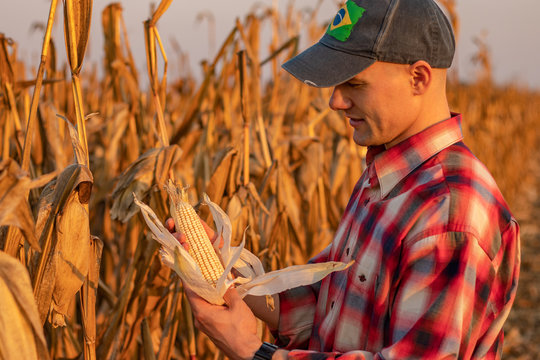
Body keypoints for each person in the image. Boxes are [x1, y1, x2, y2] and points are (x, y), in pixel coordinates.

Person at [171, 0, 521, 358]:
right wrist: (226, 271)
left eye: (354, 83)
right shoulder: (386, 176)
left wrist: (250, 350)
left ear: (418, 78)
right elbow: (330, 299)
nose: (335, 102)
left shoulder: (450, 214)